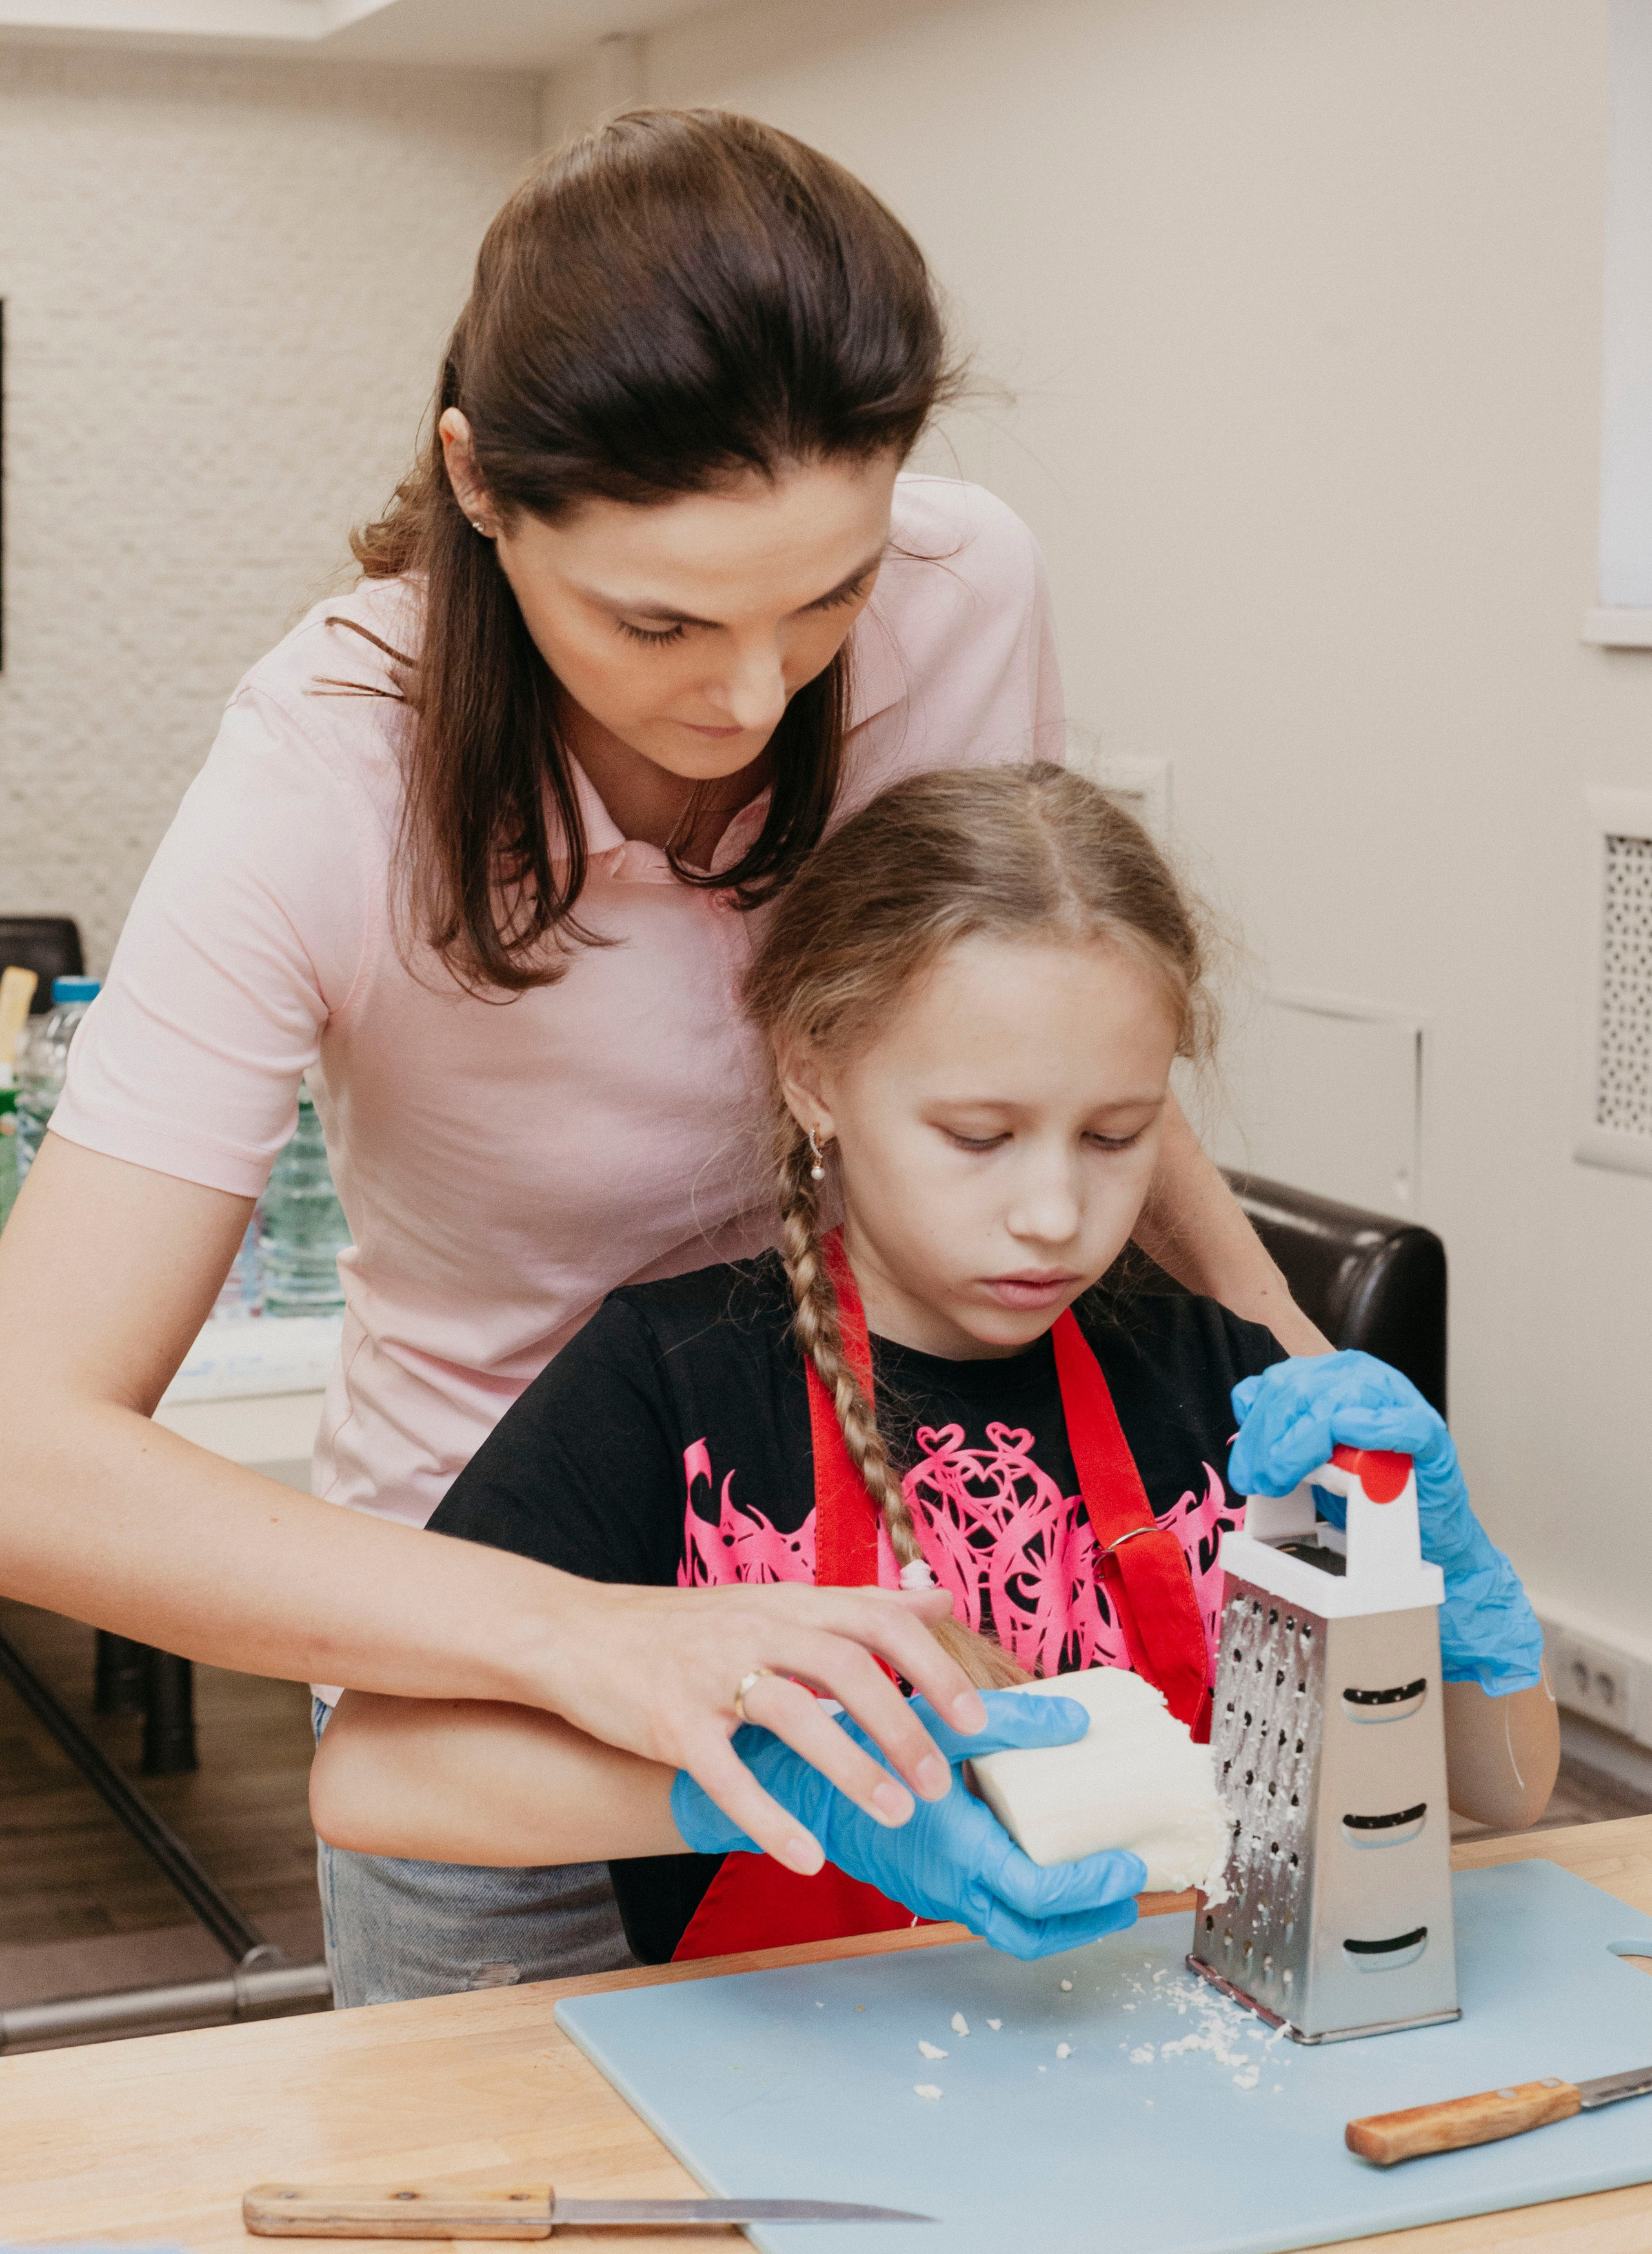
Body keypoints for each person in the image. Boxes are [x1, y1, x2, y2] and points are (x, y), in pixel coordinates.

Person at [0, 108, 1327, 1998]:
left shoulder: (970, 593)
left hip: (906, 1603)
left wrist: (1297, 1368)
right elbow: (26, 1448)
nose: (750, 694)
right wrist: (593, 1645)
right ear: (479, 484)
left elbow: (1043, 1029)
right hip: (501, 1656)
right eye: (656, 617)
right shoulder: (324, 768)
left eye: (827, 597)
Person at [310, 765, 1556, 1983]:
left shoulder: (1224, 1388)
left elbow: (1504, 1791)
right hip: (787, 2103)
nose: (1056, 1213)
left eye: (1116, 1138)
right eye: (978, 1138)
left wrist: (1462, 1597)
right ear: (815, 1074)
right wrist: (745, 1795)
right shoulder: (670, 1387)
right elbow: (376, 1773)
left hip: (1174, 2070)